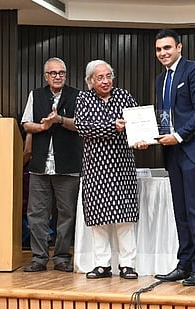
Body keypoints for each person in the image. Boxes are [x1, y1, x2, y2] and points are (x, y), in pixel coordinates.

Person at [135, 29, 195, 286]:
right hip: (172, 152)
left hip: (194, 151)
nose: (163, 53)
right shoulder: (160, 79)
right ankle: (184, 264)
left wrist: (179, 136)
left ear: (179, 48)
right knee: (180, 211)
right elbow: (164, 119)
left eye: (167, 48)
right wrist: (149, 138)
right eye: (159, 49)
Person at [74, 60, 139, 280]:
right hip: (96, 167)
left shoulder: (124, 96)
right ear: (90, 81)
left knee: (125, 218)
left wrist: (142, 137)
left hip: (122, 166)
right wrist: (113, 126)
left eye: (108, 76)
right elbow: (82, 126)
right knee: (98, 219)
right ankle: (102, 265)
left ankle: (127, 265)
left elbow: (138, 121)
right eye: (100, 78)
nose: (105, 81)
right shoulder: (84, 98)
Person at [21, 57, 81, 272]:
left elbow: (82, 125)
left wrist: (60, 120)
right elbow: (26, 123)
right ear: (45, 76)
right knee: (36, 213)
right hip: (40, 165)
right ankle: (39, 258)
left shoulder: (77, 95)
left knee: (67, 214)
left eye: (61, 73)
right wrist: (43, 127)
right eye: (53, 73)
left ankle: (63, 257)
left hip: (69, 165)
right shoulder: (35, 95)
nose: (57, 76)